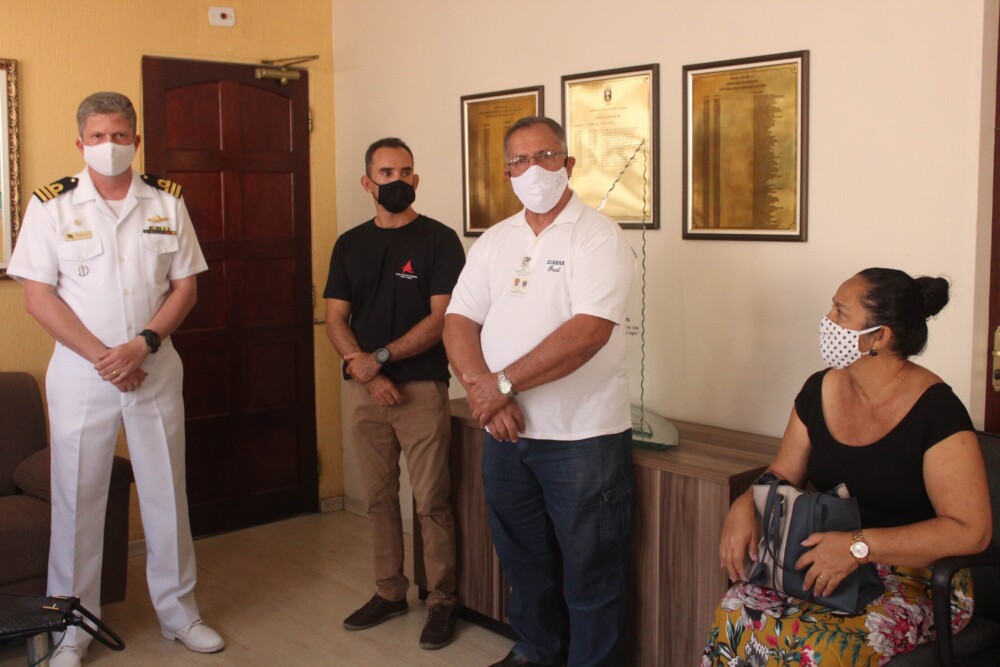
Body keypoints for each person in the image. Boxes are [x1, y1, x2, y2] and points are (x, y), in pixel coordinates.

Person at [6, 92, 224, 667]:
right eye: (99, 136)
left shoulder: (167, 200)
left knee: (165, 493)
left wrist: (141, 345)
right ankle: (72, 628)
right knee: (77, 500)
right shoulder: (53, 206)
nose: (110, 145)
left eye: (121, 135)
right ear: (80, 143)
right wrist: (106, 357)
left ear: (136, 139)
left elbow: (185, 286)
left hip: (153, 366)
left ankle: (180, 614)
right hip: (84, 374)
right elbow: (38, 296)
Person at [703, 268, 993, 666]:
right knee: (735, 610)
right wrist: (744, 505)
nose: (827, 320)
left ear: (879, 337)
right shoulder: (818, 390)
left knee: (813, 646)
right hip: (827, 562)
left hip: (916, 580)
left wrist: (857, 547)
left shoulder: (937, 411)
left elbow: (971, 531)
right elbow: (783, 472)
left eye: (840, 312)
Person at [443, 116, 636, 667]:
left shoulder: (597, 235)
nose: (535, 170)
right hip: (506, 435)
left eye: (547, 156)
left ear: (569, 164)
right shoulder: (495, 240)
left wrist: (500, 386)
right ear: (507, 172)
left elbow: (589, 332)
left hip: (582, 439)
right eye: (521, 160)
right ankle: (535, 652)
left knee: (591, 571)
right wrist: (485, 394)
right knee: (523, 561)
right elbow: (458, 320)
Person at [324, 137, 465, 650]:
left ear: (416, 179)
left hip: (422, 388)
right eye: (387, 173)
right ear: (368, 182)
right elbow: (335, 319)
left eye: (406, 172)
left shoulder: (439, 240)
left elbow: (442, 317)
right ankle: (389, 591)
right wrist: (367, 374)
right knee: (379, 499)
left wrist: (379, 359)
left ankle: (442, 600)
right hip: (366, 394)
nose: (397, 181)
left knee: (431, 501)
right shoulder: (350, 244)